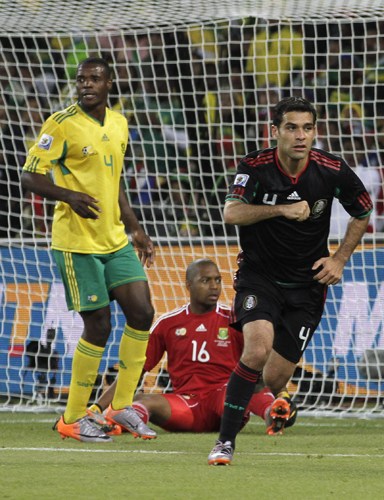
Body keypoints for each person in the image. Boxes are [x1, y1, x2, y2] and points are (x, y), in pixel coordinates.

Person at [207, 96, 373, 465]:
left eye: (308, 128)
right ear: (275, 132)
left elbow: (363, 209)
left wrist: (340, 258)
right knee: (256, 349)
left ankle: (236, 393)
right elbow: (231, 213)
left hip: (307, 285)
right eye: (292, 128)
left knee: (275, 377)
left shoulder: (331, 169)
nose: (301, 136)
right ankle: (224, 443)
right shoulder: (255, 166)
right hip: (259, 277)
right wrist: (281, 209)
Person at [21, 57, 157, 443]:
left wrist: (135, 228)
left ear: (109, 83)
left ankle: (121, 406)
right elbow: (29, 175)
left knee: (142, 313)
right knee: (98, 325)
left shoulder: (119, 123)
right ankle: (73, 417)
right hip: (76, 243)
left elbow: (115, 181)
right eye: (81, 79)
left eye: (95, 78)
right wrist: (69, 196)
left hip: (114, 239)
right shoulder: (60, 124)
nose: (86, 85)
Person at [87, 258, 297, 435]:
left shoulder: (236, 320)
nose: (214, 286)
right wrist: (98, 407)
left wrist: (282, 394)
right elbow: (133, 371)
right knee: (141, 401)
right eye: (205, 280)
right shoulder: (168, 324)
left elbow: (261, 361)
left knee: (244, 387)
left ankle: (275, 413)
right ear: (188, 285)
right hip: (186, 405)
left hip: (226, 401)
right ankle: (118, 425)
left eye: (217, 280)